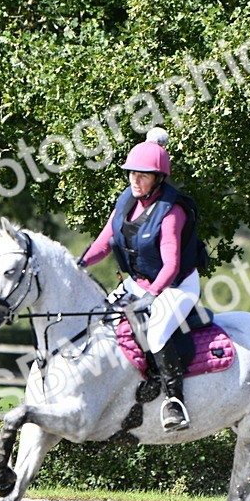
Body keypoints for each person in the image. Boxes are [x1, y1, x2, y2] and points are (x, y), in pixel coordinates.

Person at [79, 128, 205, 431]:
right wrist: (79, 264)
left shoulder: (172, 212)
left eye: (143, 176)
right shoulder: (125, 203)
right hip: (139, 283)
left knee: (158, 331)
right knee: (97, 319)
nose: (135, 180)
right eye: (132, 174)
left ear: (158, 179)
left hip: (176, 286)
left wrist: (153, 296)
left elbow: (171, 265)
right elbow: (103, 243)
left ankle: (175, 402)